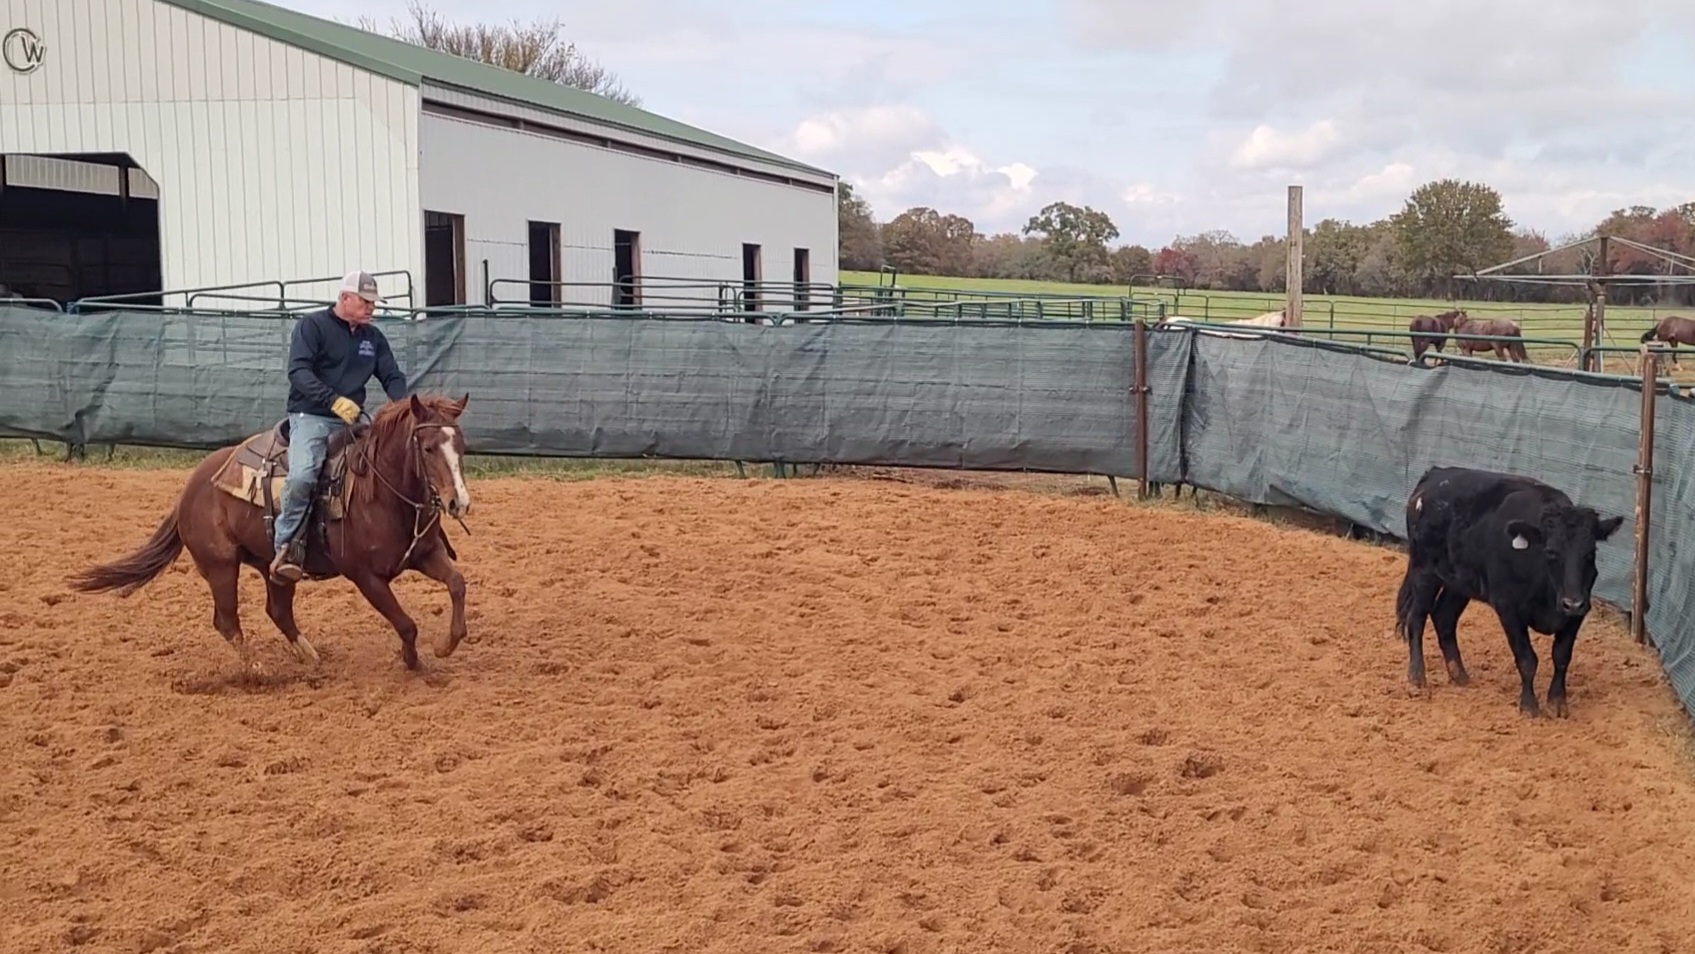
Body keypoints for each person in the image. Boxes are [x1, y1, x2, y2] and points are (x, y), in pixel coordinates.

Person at [269, 270, 411, 583]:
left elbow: (391, 375)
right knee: (303, 476)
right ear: (345, 298)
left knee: (386, 465)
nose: (371, 307)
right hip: (311, 416)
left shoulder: (373, 338)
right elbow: (298, 372)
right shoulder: (313, 326)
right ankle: (286, 546)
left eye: (373, 302)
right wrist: (333, 401)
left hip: (352, 418)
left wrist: (404, 407)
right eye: (365, 301)